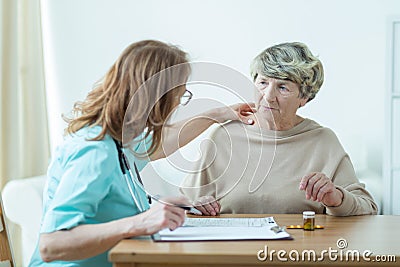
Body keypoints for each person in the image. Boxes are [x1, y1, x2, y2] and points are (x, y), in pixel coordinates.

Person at [29, 40, 254, 267]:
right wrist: (140, 222)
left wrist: (219, 113)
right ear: (158, 97)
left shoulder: (121, 140)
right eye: (180, 93)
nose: (178, 103)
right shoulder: (94, 151)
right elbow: (51, 244)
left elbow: (162, 143)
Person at [181, 42, 378, 216]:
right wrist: (196, 205)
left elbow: (367, 206)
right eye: (263, 83)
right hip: (232, 251)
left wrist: (336, 198)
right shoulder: (224, 135)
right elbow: (185, 203)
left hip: (298, 252)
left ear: (304, 98)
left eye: (282, 87)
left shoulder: (322, 140)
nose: (268, 96)